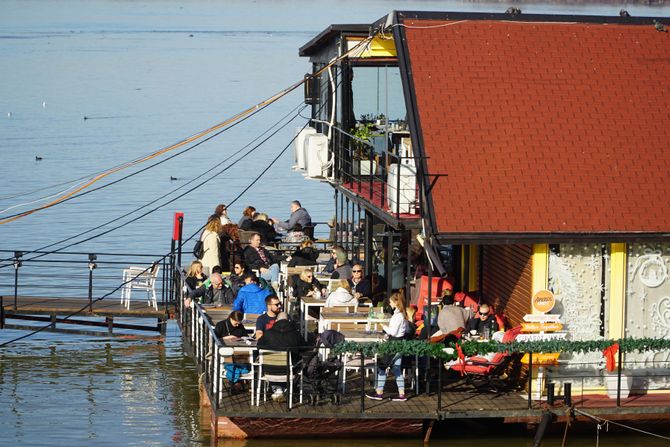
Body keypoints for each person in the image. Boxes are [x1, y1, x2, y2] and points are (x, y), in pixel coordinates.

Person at [367, 290, 410, 402]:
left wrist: (382, 325)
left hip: (393, 344)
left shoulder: (398, 316)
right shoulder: (402, 315)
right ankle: (401, 394)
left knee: (382, 367)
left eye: (391, 302)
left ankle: (379, 393)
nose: (390, 304)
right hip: (399, 343)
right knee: (396, 369)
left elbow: (393, 332)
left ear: (396, 303)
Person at [257, 311, 304, 402]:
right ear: (289, 320)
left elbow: (259, 346)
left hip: (269, 370)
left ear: (276, 320)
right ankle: (284, 389)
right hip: (289, 370)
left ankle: (277, 389)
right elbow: (305, 347)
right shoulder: (296, 334)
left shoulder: (267, 334)